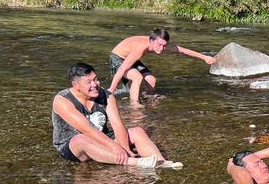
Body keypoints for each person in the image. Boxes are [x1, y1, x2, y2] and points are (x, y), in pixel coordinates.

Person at [52, 62, 183, 169]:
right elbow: (88, 130)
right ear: (76, 86)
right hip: (73, 145)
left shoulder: (106, 95)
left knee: (137, 131)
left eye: (96, 79)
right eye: (88, 82)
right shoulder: (63, 100)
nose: (95, 85)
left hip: (102, 138)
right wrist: (116, 147)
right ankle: (135, 163)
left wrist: (125, 149)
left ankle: (161, 162)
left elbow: (117, 124)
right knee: (80, 139)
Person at [107, 27, 215, 103]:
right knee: (137, 77)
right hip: (117, 58)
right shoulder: (140, 49)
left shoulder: (160, 42)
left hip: (129, 57)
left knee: (151, 80)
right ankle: (134, 106)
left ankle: (146, 99)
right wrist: (111, 89)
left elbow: (182, 50)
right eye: (159, 45)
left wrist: (204, 57)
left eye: (164, 46)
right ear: (152, 41)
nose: (162, 48)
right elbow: (122, 68)